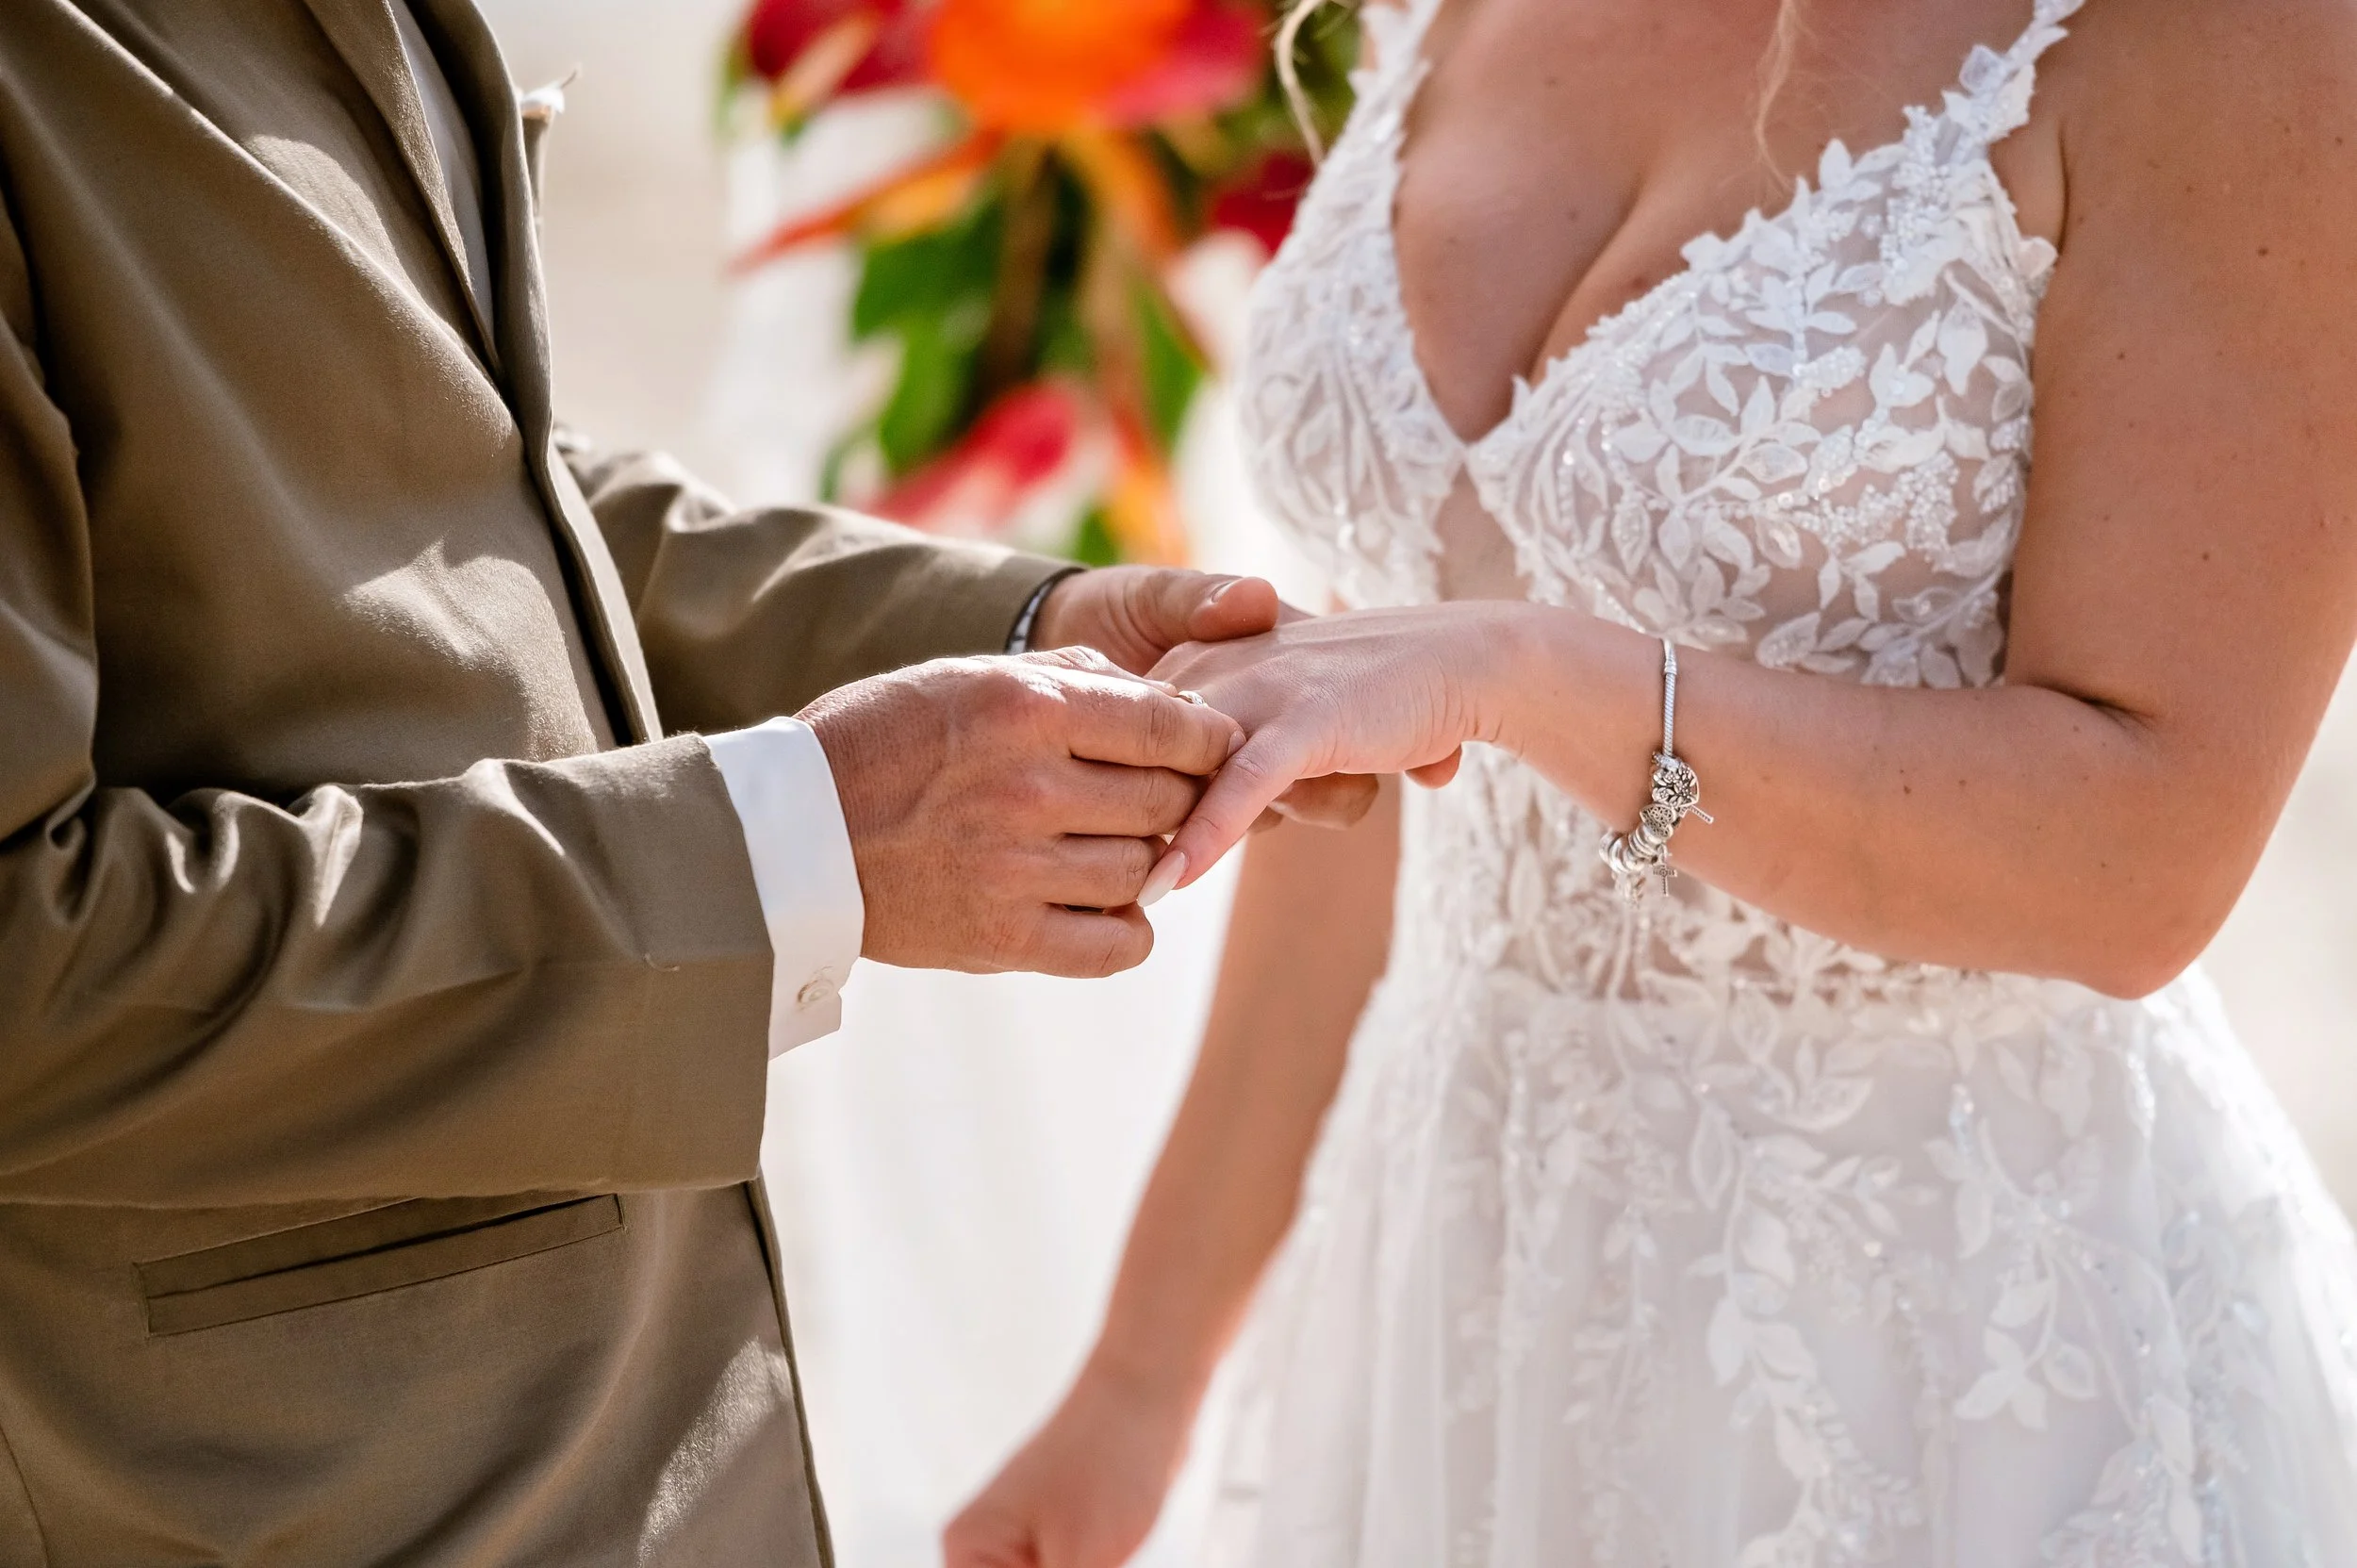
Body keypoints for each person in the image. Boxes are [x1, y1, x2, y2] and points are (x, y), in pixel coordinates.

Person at [950, 0, 2357, 1563]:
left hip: (1958, 1361)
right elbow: (1359, 760)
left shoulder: (2238, 45)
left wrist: (1533, 681)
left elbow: (2144, 860)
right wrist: (1140, 1378)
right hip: (1443, 1303)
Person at [0, 1, 1381, 1560]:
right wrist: (801, 844)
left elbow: (452, 491)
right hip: (302, 1485)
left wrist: (1026, 625)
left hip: (646, 1433)